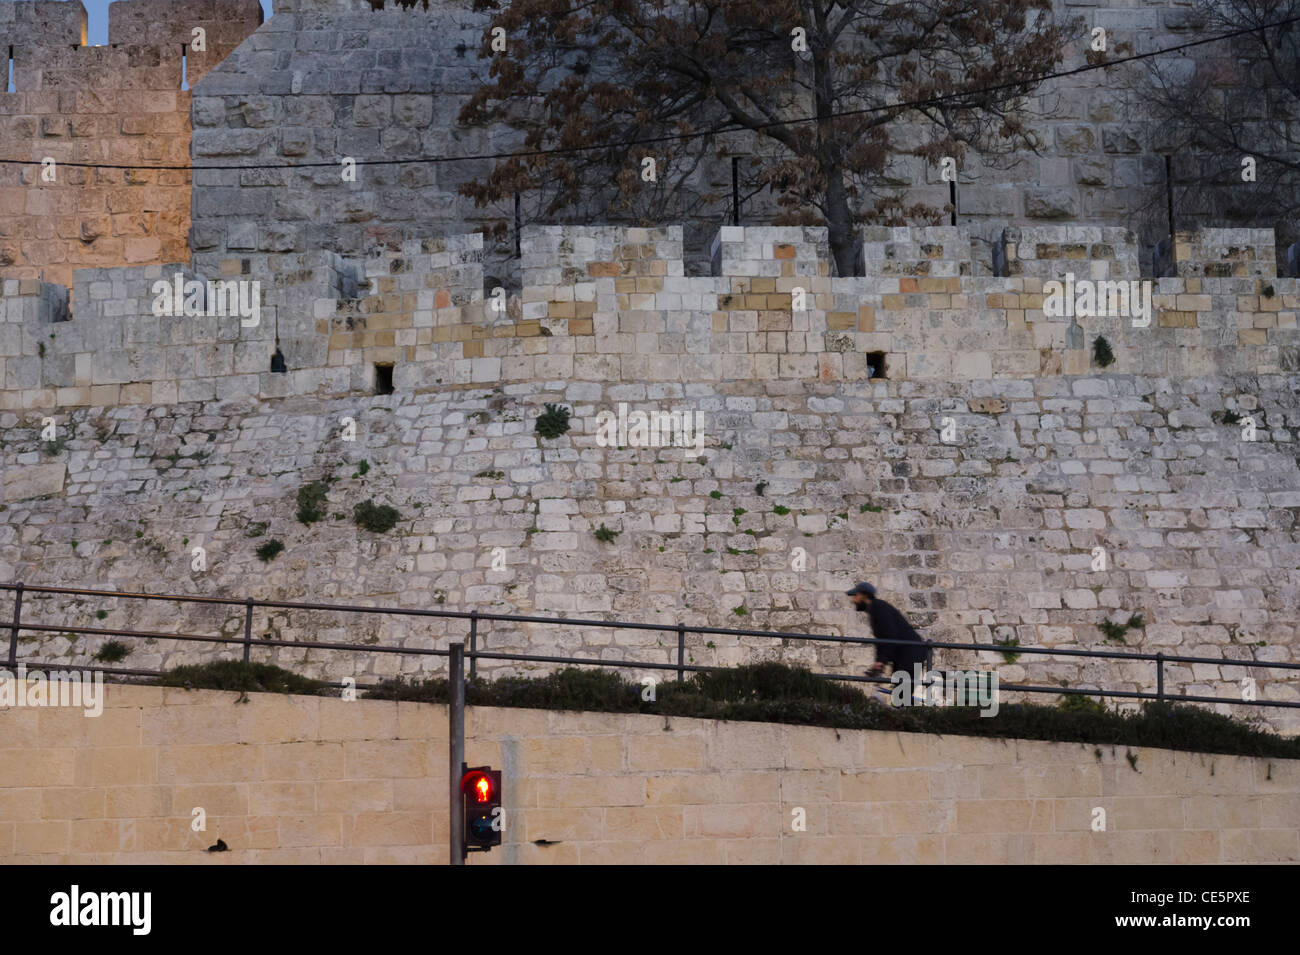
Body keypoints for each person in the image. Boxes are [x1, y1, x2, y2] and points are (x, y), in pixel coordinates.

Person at [845, 582, 931, 684]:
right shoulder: (875, 608)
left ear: (864, 595)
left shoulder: (879, 608)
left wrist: (881, 661)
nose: (852, 600)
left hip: (911, 656)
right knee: (900, 693)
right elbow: (882, 639)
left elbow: (890, 636)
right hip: (905, 656)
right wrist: (879, 661)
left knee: (902, 696)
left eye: (855, 595)